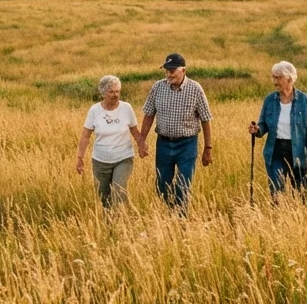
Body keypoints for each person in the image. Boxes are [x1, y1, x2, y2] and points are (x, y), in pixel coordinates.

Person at [138, 52, 213, 213]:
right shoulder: (158, 87)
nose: (168, 74)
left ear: (183, 70)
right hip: (164, 143)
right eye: (166, 70)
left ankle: (181, 221)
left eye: (172, 71)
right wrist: (141, 140)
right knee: (162, 186)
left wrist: (208, 148)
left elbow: (206, 120)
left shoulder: (195, 89)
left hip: (187, 145)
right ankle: (170, 215)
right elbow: (149, 114)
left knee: (182, 185)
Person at [249, 61, 307, 199]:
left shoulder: (305, 101)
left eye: (278, 78)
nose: (275, 81)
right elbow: (263, 125)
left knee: (300, 194)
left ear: (289, 79)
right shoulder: (269, 100)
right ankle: (276, 217)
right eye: (273, 77)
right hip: (275, 150)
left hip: (297, 151)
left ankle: (296, 217)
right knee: (276, 191)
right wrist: (257, 129)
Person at [75, 75, 141, 210]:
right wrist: (80, 157)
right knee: (103, 198)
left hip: (124, 158)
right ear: (103, 93)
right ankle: (109, 225)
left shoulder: (127, 108)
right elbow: (85, 136)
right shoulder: (95, 110)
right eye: (111, 92)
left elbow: (134, 130)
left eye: (117, 91)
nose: (115, 95)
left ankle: (121, 222)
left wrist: (142, 145)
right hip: (101, 160)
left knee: (118, 191)